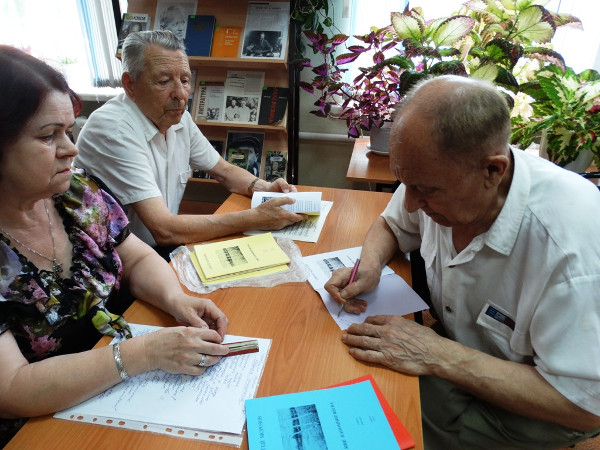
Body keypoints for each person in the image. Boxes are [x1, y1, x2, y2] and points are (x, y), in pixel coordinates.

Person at [325, 75, 600, 449]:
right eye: (405, 183)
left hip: (543, 401)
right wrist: (371, 265)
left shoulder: (571, 253)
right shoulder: (441, 175)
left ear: (493, 171)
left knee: (377, 426)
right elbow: (392, 224)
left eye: (425, 190)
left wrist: (438, 355)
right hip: (461, 352)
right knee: (349, 380)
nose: (411, 203)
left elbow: (585, 405)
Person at [0, 46, 230, 447]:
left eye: (68, 131)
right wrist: (142, 354)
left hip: (114, 389)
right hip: (41, 427)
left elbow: (136, 257)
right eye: (48, 136)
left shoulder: (76, 194)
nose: (71, 149)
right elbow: (12, 389)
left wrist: (176, 299)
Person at [75, 31, 304, 259]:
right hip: (111, 265)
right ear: (130, 85)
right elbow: (163, 229)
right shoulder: (114, 130)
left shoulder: (177, 117)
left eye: (185, 81)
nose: (180, 94)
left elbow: (224, 171)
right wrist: (254, 218)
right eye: (164, 81)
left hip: (153, 251)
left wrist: (262, 187)